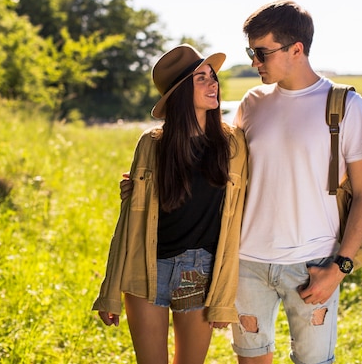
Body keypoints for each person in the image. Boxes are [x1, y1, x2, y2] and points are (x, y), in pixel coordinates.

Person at [231, 0, 362, 364]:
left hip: (313, 264)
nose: (254, 63)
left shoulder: (344, 104)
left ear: (296, 49)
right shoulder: (252, 102)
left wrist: (339, 268)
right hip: (247, 263)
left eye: (262, 52)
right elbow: (225, 174)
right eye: (251, 52)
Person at [92, 44, 248, 364]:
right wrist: (110, 292)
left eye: (212, 76)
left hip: (199, 270)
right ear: (179, 93)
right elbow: (130, 221)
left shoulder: (232, 143)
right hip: (148, 267)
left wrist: (223, 297)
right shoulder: (152, 144)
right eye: (200, 78)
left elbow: (236, 217)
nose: (213, 83)